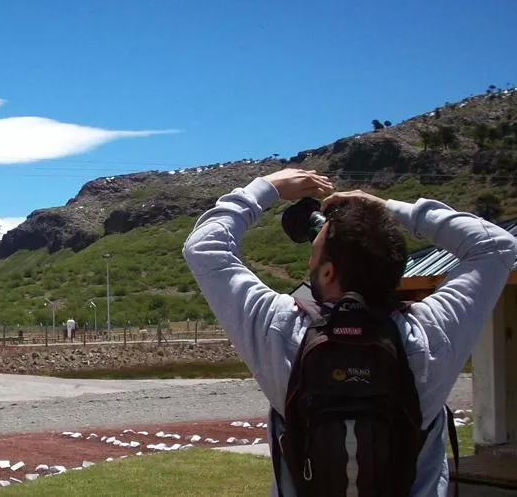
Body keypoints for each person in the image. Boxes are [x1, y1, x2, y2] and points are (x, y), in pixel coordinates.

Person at [182, 168, 517, 496]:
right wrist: (386, 208)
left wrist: (267, 187)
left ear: (327, 273)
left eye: (313, 255)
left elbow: (205, 247)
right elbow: (496, 246)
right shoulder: (430, 332)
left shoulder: (282, 328)